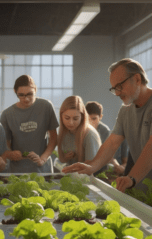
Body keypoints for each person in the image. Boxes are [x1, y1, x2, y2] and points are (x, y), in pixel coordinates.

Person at [63, 58, 152, 193]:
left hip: (136, 181)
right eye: (114, 88)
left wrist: (132, 178)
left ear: (137, 79)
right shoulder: (125, 110)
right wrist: (92, 166)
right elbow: (112, 143)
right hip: (142, 189)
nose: (117, 93)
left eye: (120, 86)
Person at [0, 75, 58, 173]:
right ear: (15, 92)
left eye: (30, 94)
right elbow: (5, 146)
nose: (26, 99)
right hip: (17, 171)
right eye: (21, 95)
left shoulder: (46, 106)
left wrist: (42, 159)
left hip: (43, 169)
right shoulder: (7, 114)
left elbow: (53, 138)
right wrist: (11, 153)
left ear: (35, 89)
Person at [86, 101, 128, 175]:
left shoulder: (104, 131)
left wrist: (118, 166)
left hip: (109, 168)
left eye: (94, 119)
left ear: (100, 117)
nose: (90, 123)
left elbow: (107, 155)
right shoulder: (82, 131)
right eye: (87, 119)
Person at [58, 96, 101, 166]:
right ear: (61, 116)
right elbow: (62, 160)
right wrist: (66, 158)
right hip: (73, 175)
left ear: (82, 117)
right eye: (67, 118)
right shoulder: (64, 133)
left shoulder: (90, 135)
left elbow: (90, 166)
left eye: (75, 119)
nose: (71, 123)